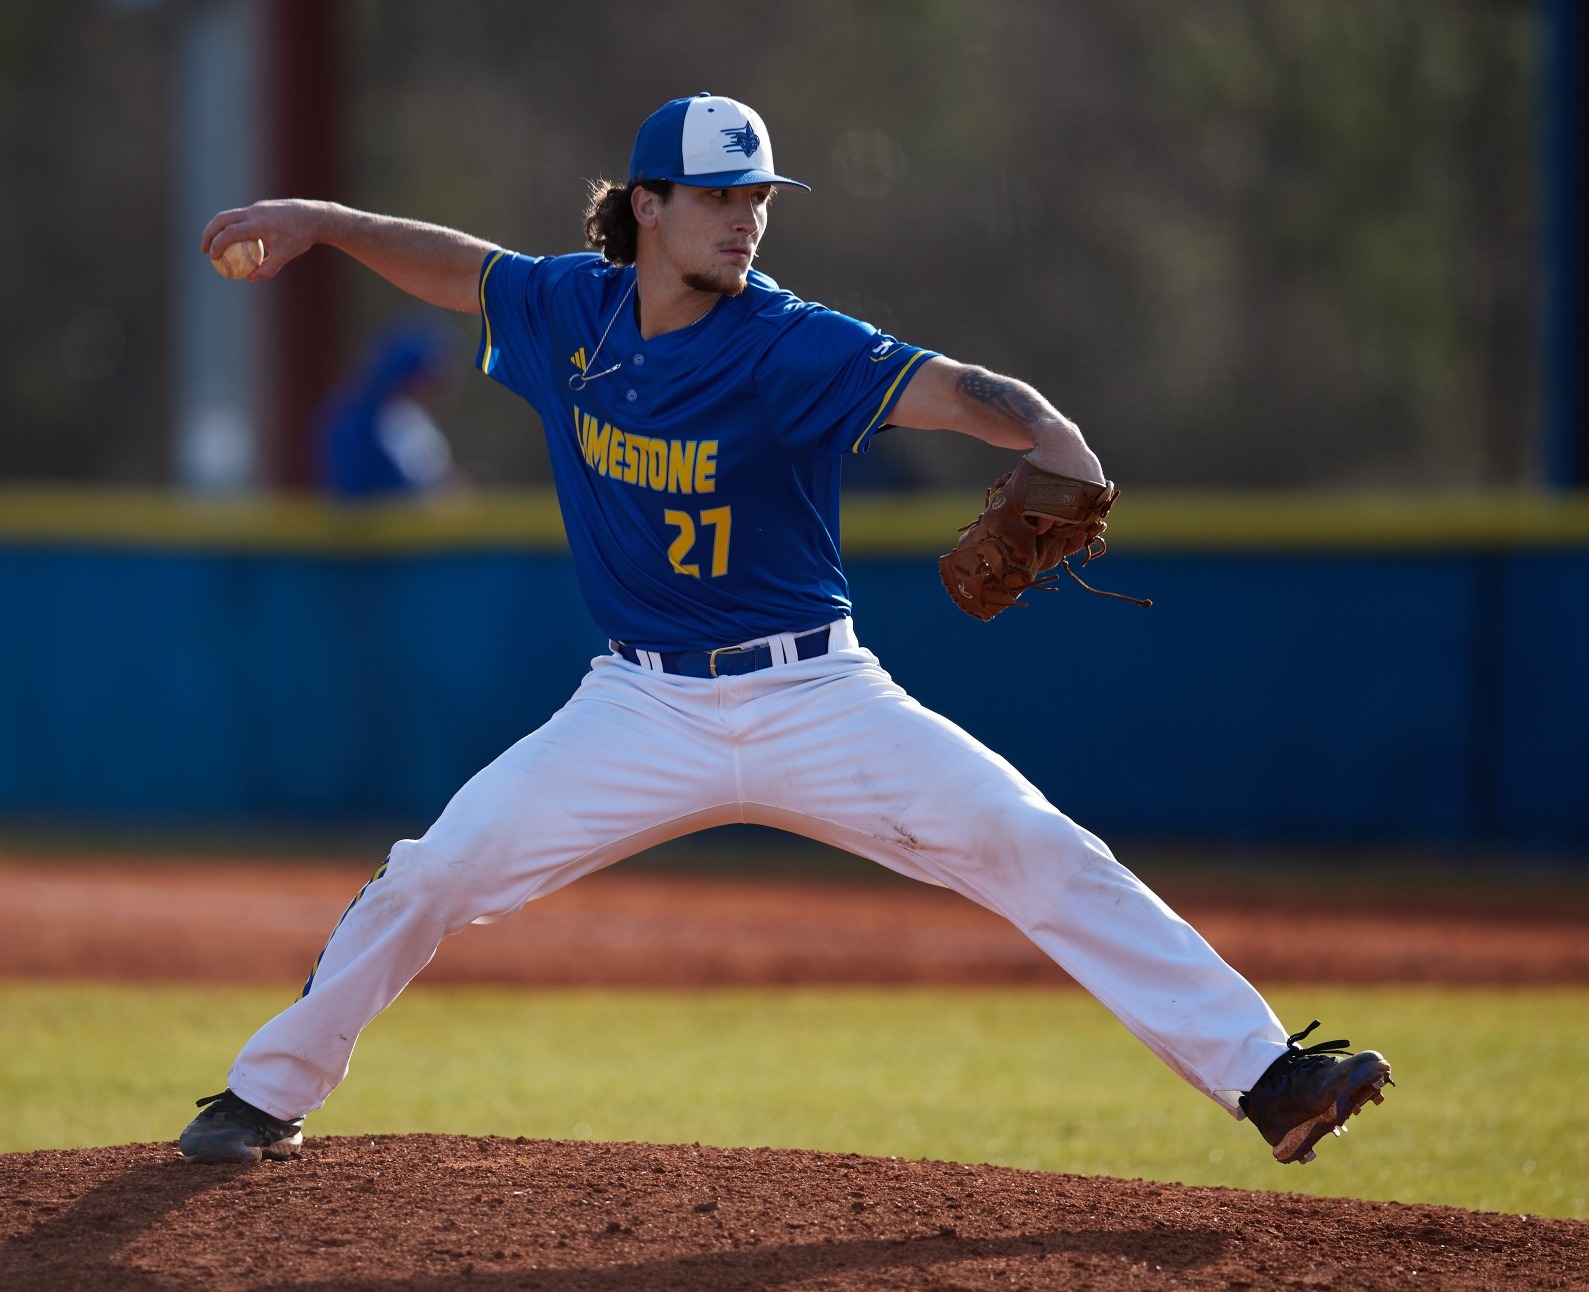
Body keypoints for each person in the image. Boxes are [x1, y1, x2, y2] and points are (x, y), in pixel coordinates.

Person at [182, 93, 1391, 1168]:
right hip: (639, 705)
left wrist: (1054, 436)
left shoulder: (787, 339)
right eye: (717, 196)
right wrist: (319, 217)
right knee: (432, 871)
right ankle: (263, 1094)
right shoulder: (569, 310)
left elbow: (959, 388)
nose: (744, 219)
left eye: (756, 196)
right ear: (645, 205)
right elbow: (463, 266)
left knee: (1036, 844)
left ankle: (1267, 1074)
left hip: (815, 695)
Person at [317, 319, 460, 500]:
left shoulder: (358, 410)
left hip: (361, 518)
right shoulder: (402, 418)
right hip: (392, 520)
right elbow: (434, 490)